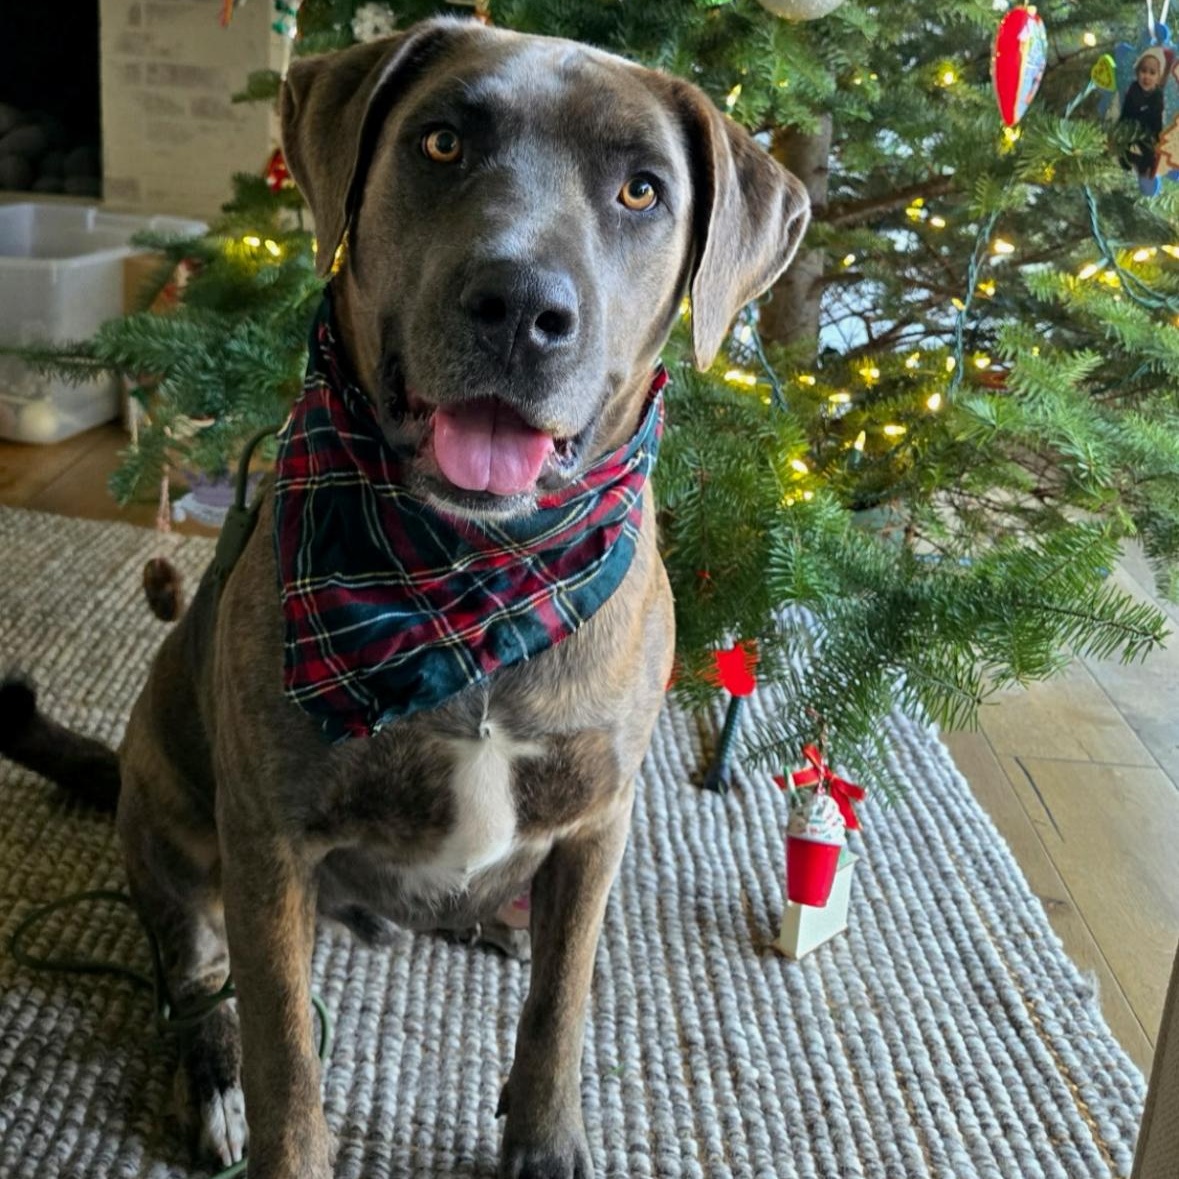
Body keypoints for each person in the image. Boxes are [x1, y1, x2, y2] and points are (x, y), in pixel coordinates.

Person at [1119, 46, 1168, 179]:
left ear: (1158, 78)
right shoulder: (1133, 88)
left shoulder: (1158, 95)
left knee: (1149, 151)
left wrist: (1158, 138)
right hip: (1131, 125)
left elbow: (1157, 118)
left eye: (1152, 73)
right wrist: (1121, 127)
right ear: (1137, 72)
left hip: (1148, 130)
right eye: (1143, 71)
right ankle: (1125, 161)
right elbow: (1126, 111)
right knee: (1123, 144)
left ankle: (1146, 168)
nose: (1147, 76)